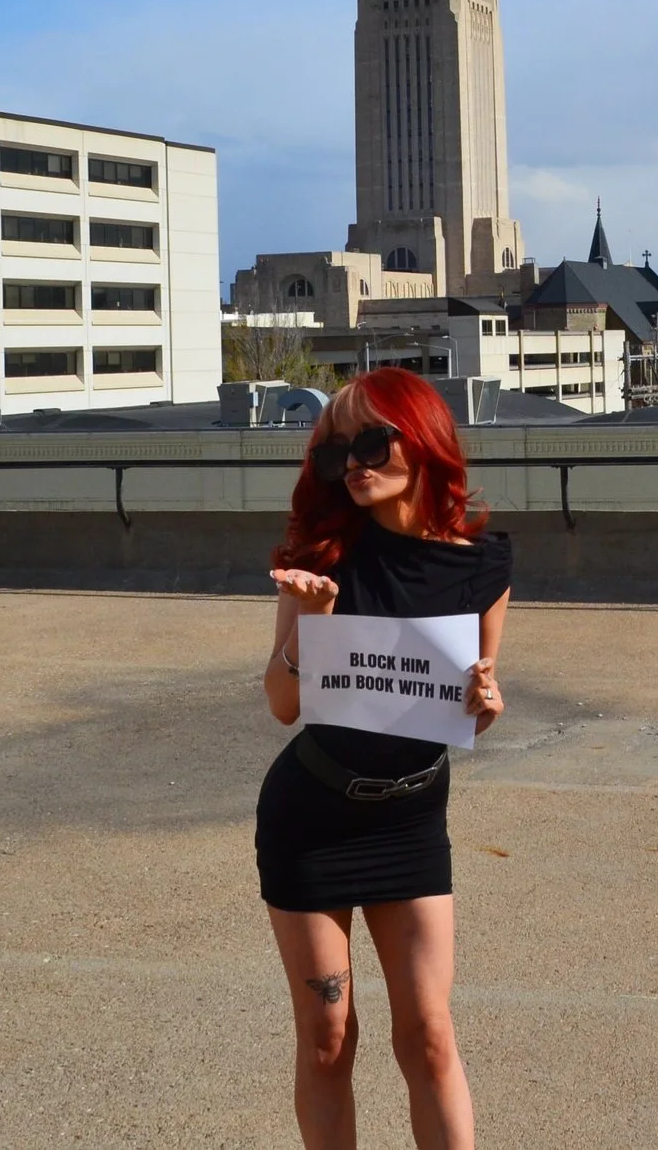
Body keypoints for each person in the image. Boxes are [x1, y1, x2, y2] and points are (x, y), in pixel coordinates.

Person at [257, 367, 510, 1150]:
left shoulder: (481, 563)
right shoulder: (320, 554)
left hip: (409, 816)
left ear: (422, 436)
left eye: (371, 441)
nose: (355, 464)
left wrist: (487, 703)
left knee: (428, 1035)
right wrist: (310, 620)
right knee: (329, 1036)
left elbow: (473, 695)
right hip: (312, 819)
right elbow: (282, 701)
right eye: (337, 454)